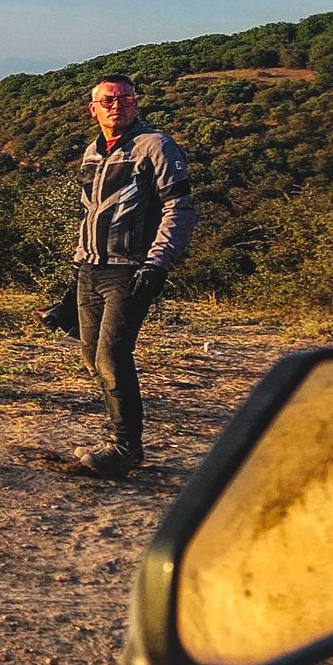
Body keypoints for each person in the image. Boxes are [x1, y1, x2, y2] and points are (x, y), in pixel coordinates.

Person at [69, 74, 196, 479]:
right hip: (91, 267)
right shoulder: (92, 151)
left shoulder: (154, 145)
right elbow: (92, 213)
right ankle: (117, 440)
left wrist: (158, 263)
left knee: (111, 357)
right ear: (93, 109)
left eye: (125, 99)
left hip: (132, 269)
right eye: (107, 100)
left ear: (136, 104)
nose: (116, 105)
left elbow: (179, 207)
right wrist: (72, 278)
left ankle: (126, 449)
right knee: (92, 358)